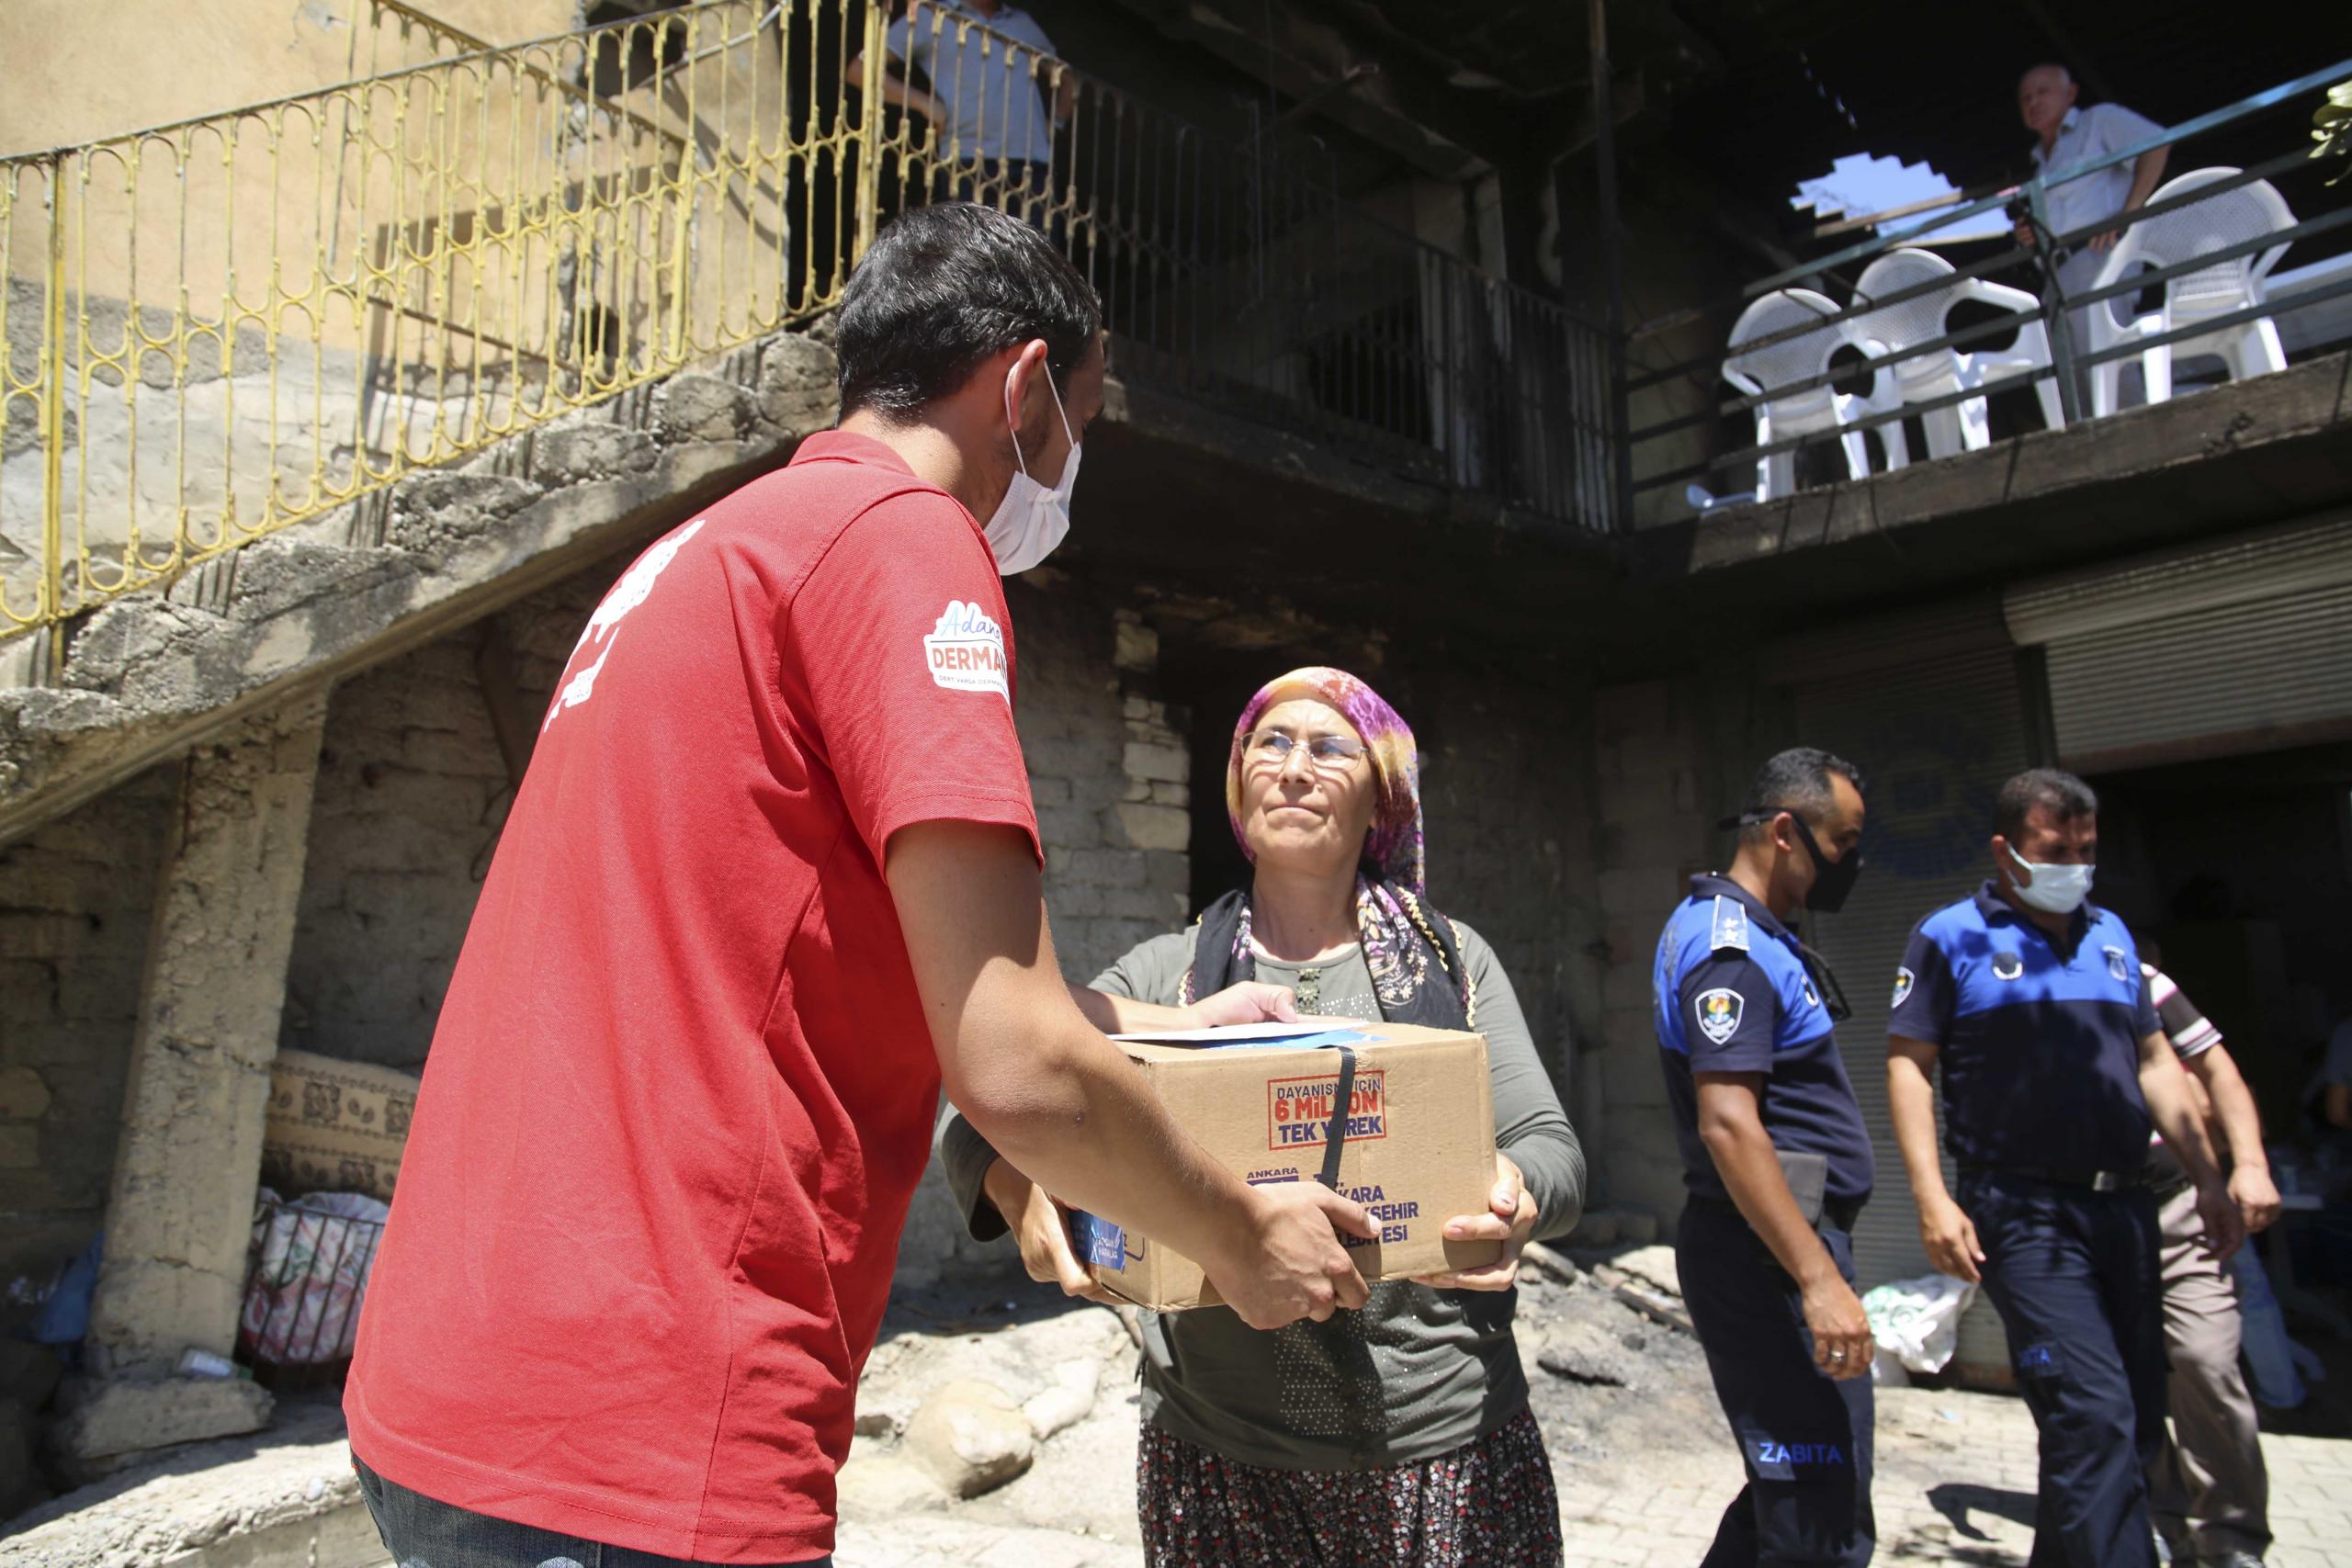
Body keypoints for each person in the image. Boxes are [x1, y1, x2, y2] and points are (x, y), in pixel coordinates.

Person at [342, 204, 1380, 1568]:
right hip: (646, 1420)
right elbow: (1017, 1071)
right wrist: (1244, 1236)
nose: (1074, 463)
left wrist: (1172, 1032)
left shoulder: (714, 548)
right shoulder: (905, 540)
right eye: (1082, 418)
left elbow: (799, 957)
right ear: (1021, 386)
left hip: (452, 1387)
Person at [943, 666, 1585, 1568]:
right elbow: (987, 1089)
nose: (1292, 768)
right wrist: (1019, 1187)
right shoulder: (1168, 977)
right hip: (1219, 1450)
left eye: (1328, 748)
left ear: (1381, 797)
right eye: (1269, 745)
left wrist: (1514, 1200)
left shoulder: (1452, 964)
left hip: (1441, 1440)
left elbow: (1549, 1149)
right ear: (1239, 791)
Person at [1888, 768, 2244, 1568]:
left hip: (2125, 1210)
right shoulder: (1950, 936)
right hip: (2023, 1212)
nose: (2075, 862)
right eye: (2056, 848)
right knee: (2093, 1414)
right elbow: (1909, 1065)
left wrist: (2210, 1176)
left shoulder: (2113, 937)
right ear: (2006, 848)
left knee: (2133, 1420)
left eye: (2087, 848)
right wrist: (1931, 1198)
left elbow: (2157, 1064)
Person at [1652, 747, 1877, 1568]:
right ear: (1787, 831)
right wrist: (1818, 1280)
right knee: (1818, 1517)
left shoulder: (1754, 936)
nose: (1849, 862)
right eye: (1842, 842)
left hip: (1781, 1245)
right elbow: (1729, 1124)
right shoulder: (1730, 952)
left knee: (1787, 1499)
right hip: (1771, 1255)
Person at [2136, 950, 2281, 1568]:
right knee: (2122, 1382)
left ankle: (2233, 1538)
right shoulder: (1999, 979)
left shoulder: (2140, 981)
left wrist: (2247, 1163)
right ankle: (2168, 1519)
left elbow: (2216, 1070)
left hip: (2180, 1207)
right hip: (2082, 1218)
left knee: (2206, 1360)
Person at [2011, 64, 2169, 385]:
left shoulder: (2098, 120)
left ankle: (2138, 431)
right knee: (2077, 382)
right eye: (2026, 98)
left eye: (2043, 91)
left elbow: (2156, 143)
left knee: (2109, 369)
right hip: (2055, 273)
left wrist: (2129, 212)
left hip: (2096, 260)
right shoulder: (2040, 160)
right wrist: (2029, 232)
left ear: (2070, 94)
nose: (2033, 102)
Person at [854, 1, 1074, 213]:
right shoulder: (933, 15)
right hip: (968, 160)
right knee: (971, 250)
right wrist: (923, 103)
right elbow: (860, 69)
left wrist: (1055, 123)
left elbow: (1066, 80)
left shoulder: (1020, 22)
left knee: (1033, 250)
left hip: (1032, 165)